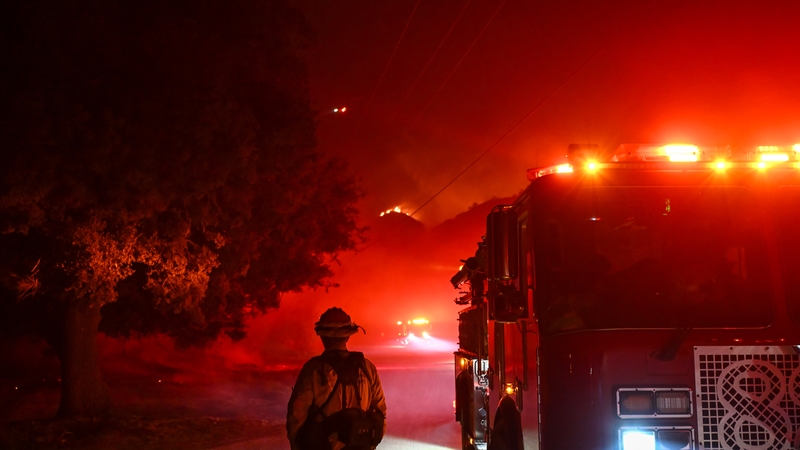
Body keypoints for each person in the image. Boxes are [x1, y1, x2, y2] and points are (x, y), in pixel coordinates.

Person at [287, 307, 387, 450]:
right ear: (348, 336)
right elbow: (380, 410)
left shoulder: (314, 370)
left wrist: (297, 445)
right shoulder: (367, 367)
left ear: (322, 336)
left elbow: (297, 416)